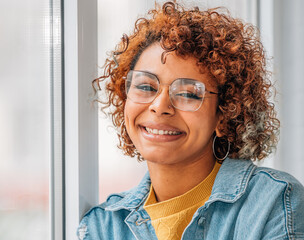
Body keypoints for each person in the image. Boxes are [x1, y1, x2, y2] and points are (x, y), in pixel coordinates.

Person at [77, 2, 304, 239]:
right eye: (145, 86)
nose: (159, 106)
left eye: (187, 93)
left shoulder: (274, 202)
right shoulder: (103, 225)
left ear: (224, 113)